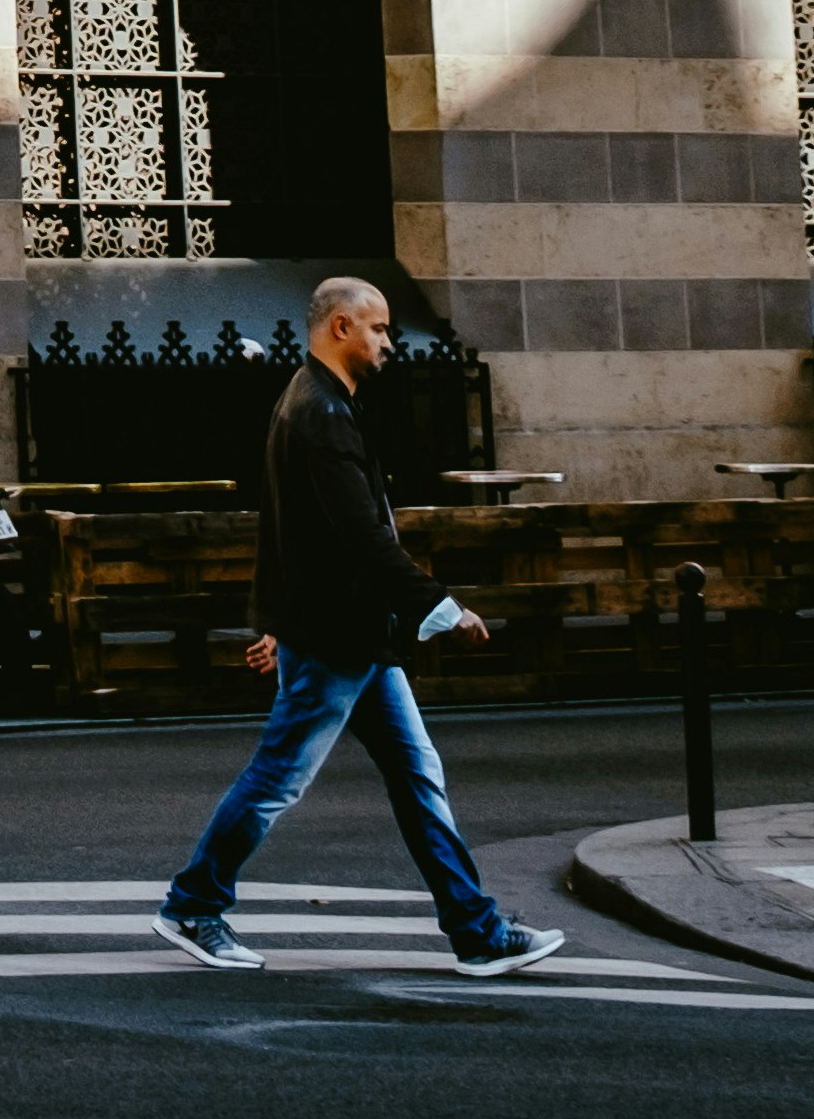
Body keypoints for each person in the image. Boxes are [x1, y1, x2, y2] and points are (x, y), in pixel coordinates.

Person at [156, 273, 563, 977]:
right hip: (336, 638)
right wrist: (443, 606)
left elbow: (297, 534)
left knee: (416, 777)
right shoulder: (319, 414)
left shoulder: (315, 402)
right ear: (340, 326)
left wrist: (279, 620)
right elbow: (360, 540)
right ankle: (193, 904)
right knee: (281, 778)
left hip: (352, 635)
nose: (388, 343)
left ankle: (475, 931)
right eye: (378, 329)